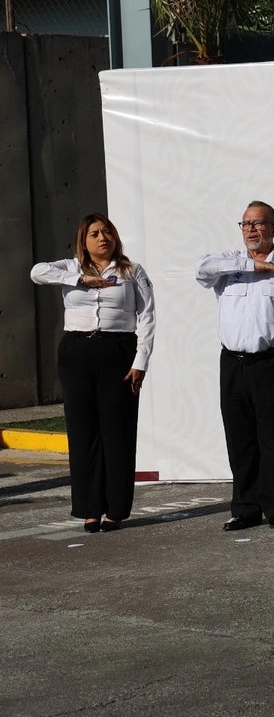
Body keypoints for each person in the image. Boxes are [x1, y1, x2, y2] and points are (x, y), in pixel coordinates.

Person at [30, 213, 155, 533]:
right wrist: (81, 280)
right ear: (83, 242)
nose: (103, 238)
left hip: (118, 351)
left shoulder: (132, 271)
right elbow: (36, 272)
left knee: (117, 430)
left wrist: (140, 361)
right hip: (77, 351)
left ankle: (115, 508)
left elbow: (148, 317)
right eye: (95, 234)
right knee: (83, 431)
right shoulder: (70, 268)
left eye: (107, 232)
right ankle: (89, 508)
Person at [196, 201, 274, 531]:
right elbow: (200, 270)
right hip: (233, 362)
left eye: (258, 223)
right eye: (245, 223)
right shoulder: (229, 267)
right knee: (240, 438)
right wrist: (249, 265)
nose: (250, 229)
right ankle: (245, 508)